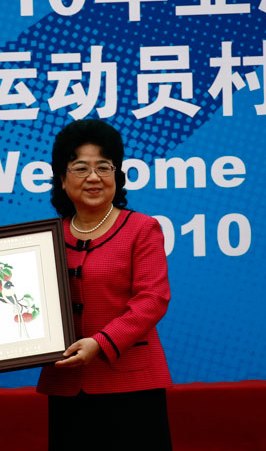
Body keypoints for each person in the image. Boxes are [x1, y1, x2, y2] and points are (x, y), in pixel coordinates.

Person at [36, 119, 173, 450]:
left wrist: (100, 343)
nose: (94, 177)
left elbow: (153, 299)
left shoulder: (141, 228)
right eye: (81, 168)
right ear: (62, 180)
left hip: (131, 385)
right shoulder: (45, 238)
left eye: (104, 167)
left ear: (117, 175)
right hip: (67, 386)